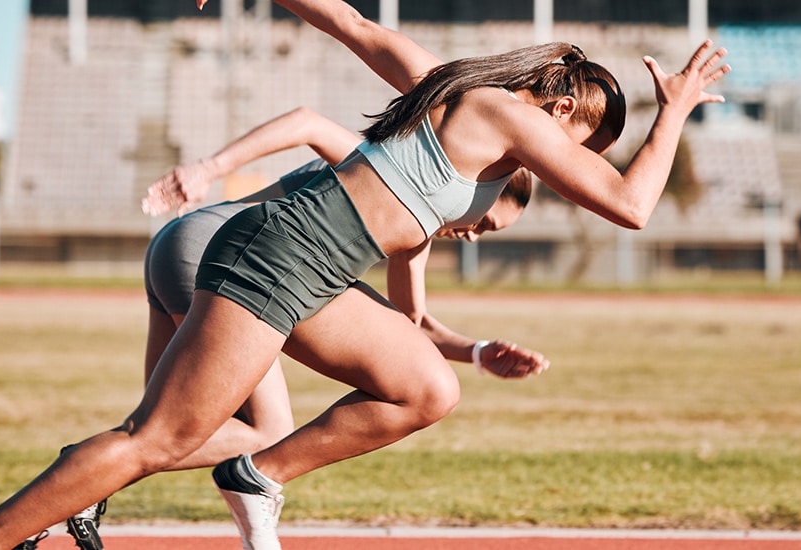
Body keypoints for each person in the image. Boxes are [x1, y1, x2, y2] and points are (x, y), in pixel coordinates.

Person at [0, 0, 728, 546]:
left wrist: (474, 351)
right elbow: (631, 205)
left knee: (426, 388)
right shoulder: (509, 114)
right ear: (563, 109)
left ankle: (257, 473)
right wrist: (678, 108)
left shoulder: (452, 91)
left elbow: (346, 20)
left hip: (317, 268)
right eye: (586, 140)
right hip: (283, 252)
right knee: (162, 437)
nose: (574, 162)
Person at [56, 106, 546, 550]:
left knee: (156, 429)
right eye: (483, 224)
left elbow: (409, 328)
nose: (469, 234)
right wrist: (209, 168)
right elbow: (307, 123)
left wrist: (478, 352)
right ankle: (81, 479)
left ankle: (70, 487)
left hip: (180, 245)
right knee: (264, 432)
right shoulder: (393, 171)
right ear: (482, 181)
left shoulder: (416, 223)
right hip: (222, 254)